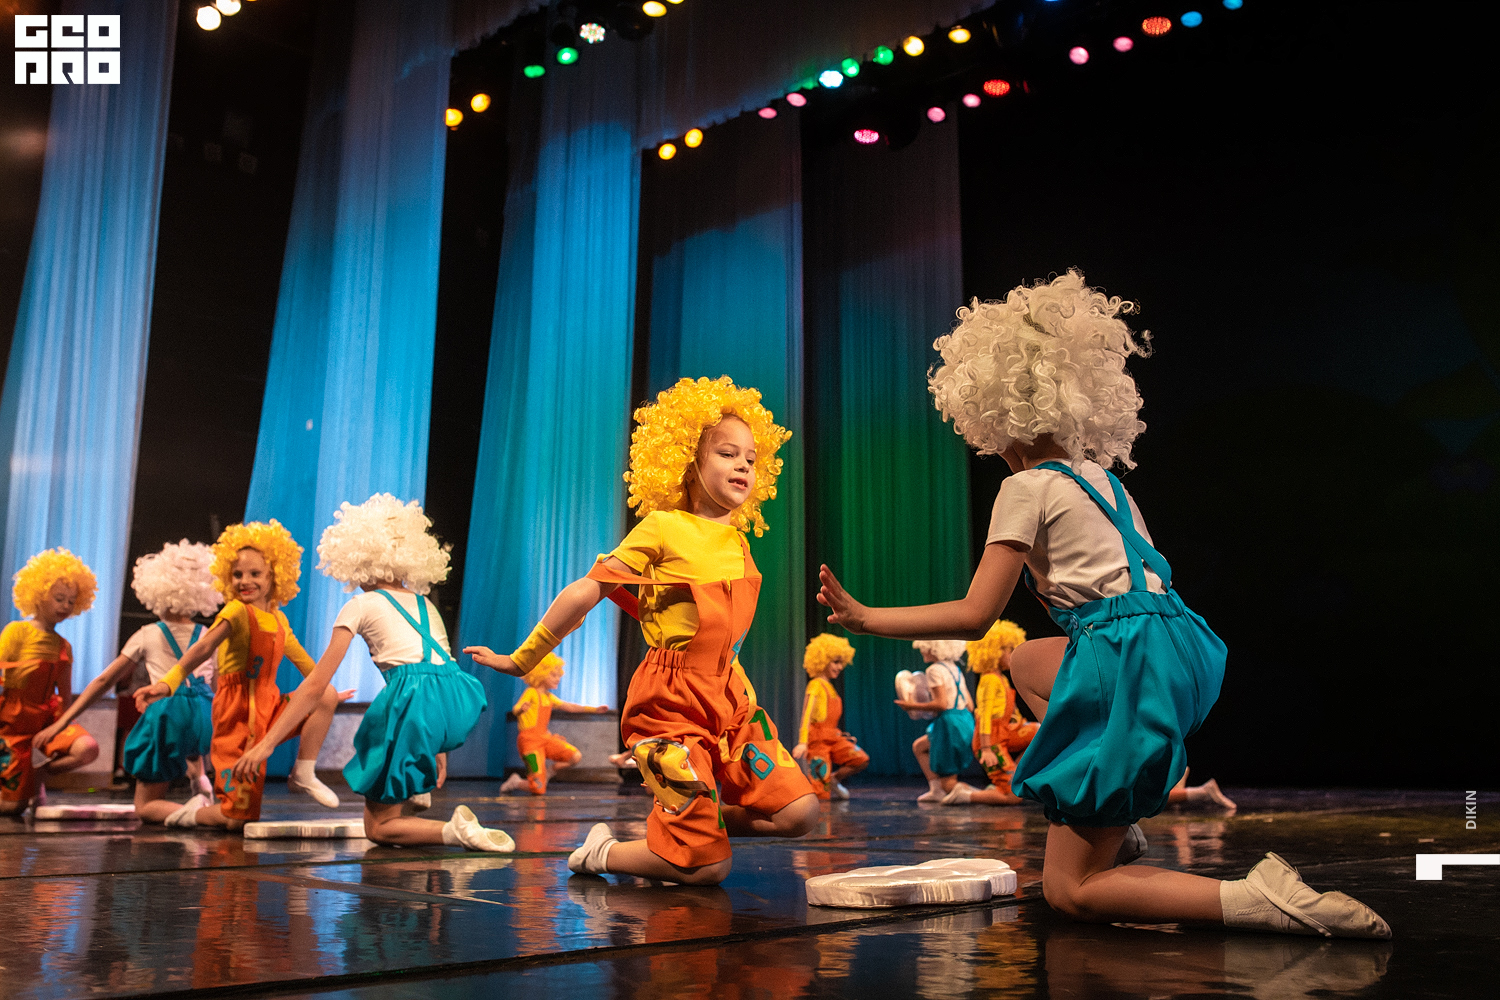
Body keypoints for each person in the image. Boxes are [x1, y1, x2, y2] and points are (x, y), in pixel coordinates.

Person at [817, 271, 1389, 938]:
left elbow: (976, 615)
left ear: (996, 417)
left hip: (1126, 655)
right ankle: (1114, 817)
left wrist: (866, 618)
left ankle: (1258, 899)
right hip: (1178, 647)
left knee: (1072, 891)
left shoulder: (1025, 487)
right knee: (1028, 662)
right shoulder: (1105, 481)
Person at [466, 376, 819, 885]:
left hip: (730, 700)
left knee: (800, 813)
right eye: (727, 453)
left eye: (751, 458)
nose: (744, 465)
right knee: (708, 869)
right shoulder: (663, 526)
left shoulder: (739, 542)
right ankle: (605, 852)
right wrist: (522, 659)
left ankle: (696, 826)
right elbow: (588, 589)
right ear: (687, 462)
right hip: (668, 704)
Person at [232, 494, 512, 851]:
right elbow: (437, 675)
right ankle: (427, 802)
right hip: (455, 701)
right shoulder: (426, 604)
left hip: (411, 700)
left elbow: (316, 685)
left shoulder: (361, 605)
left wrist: (265, 745)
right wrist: (437, 748)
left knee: (378, 828)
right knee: (395, 799)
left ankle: (456, 831)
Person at [135, 521, 344, 830]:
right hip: (236, 715)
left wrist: (329, 694)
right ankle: (190, 814)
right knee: (236, 818)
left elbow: (306, 664)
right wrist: (168, 683)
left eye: (255, 574)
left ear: (274, 576)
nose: (245, 581)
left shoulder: (279, 620)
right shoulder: (235, 611)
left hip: (269, 711)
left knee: (325, 693)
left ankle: (303, 772)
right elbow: (203, 647)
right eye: (237, 574)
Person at [36, 541, 221, 823]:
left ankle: (203, 814)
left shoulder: (149, 633)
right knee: (190, 743)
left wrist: (62, 722)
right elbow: (215, 686)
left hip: (168, 713)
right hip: (204, 714)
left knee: (145, 807)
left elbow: (104, 680)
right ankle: (201, 783)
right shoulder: (208, 635)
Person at [0, 549, 100, 814]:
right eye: (59, 598)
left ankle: (38, 775)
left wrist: (60, 724)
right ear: (38, 594)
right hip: (13, 721)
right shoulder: (16, 631)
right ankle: (19, 785)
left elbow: (65, 697)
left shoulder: (64, 646)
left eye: (71, 601)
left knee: (88, 749)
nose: (65, 606)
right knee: (12, 808)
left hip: (48, 717)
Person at [949, 619, 1036, 806]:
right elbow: (985, 716)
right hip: (990, 741)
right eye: (1009, 650)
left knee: (1040, 731)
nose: (1012, 655)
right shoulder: (989, 680)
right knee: (1013, 797)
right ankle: (965, 795)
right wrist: (987, 749)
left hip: (1004, 732)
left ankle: (1015, 773)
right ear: (995, 651)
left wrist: (1019, 723)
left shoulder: (1001, 678)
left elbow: (1009, 711)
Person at [500, 652, 609, 796]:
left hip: (545, 739)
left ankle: (550, 771)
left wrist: (594, 710)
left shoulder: (549, 697)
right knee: (538, 788)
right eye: (553, 675)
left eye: (558, 675)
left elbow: (569, 707)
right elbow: (516, 709)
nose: (557, 679)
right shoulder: (531, 692)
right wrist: (521, 709)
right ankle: (516, 782)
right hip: (529, 743)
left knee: (575, 756)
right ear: (541, 674)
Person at [894, 639, 977, 804]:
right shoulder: (955, 669)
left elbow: (941, 704)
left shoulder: (933, 670)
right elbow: (970, 705)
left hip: (950, 725)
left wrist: (911, 706)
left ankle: (983, 795)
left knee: (949, 785)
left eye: (924, 648)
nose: (922, 651)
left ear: (934, 649)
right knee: (919, 746)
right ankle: (936, 790)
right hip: (964, 721)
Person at [792, 633, 868, 800]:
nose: (840, 667)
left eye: (841, 662)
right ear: (823, 660)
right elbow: (806, 714)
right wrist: (803, 742)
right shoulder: (815, 685)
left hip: (833, 737)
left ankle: (834, 779)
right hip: (817, 741)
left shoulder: (830, 687)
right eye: (835, 662)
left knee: (861, 759)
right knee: (821, 791)